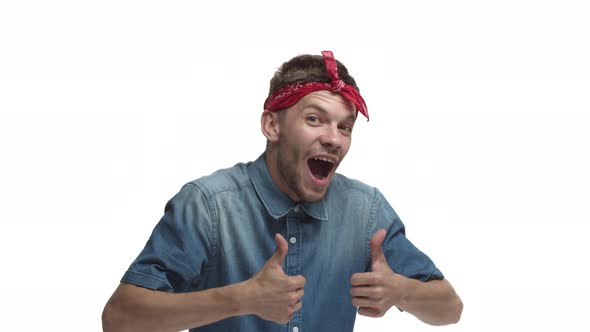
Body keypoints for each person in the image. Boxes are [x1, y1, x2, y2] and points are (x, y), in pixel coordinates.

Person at [102, 51, 463, 332]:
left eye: (346, 126)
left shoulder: (365, 212)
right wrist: (240, 299)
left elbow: (450, 307)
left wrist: (400, 291)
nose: (333, 138)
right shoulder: (208, 206)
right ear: (272, 125)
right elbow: (119, 318)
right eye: (314, 119)